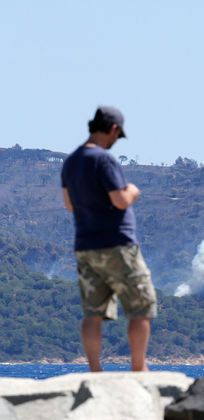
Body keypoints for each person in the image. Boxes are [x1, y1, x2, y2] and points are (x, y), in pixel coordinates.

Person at [61, 106, 157, 372]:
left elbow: (69, 204)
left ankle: (95, 371)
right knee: (140, 306)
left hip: (85, 246)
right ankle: (139, 369)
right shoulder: (103, 160)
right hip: (117, 245)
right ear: (113, 130)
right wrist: (133, 191)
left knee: (93, 312)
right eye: (117, 135)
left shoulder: (71, 162)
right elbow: (120, 200)